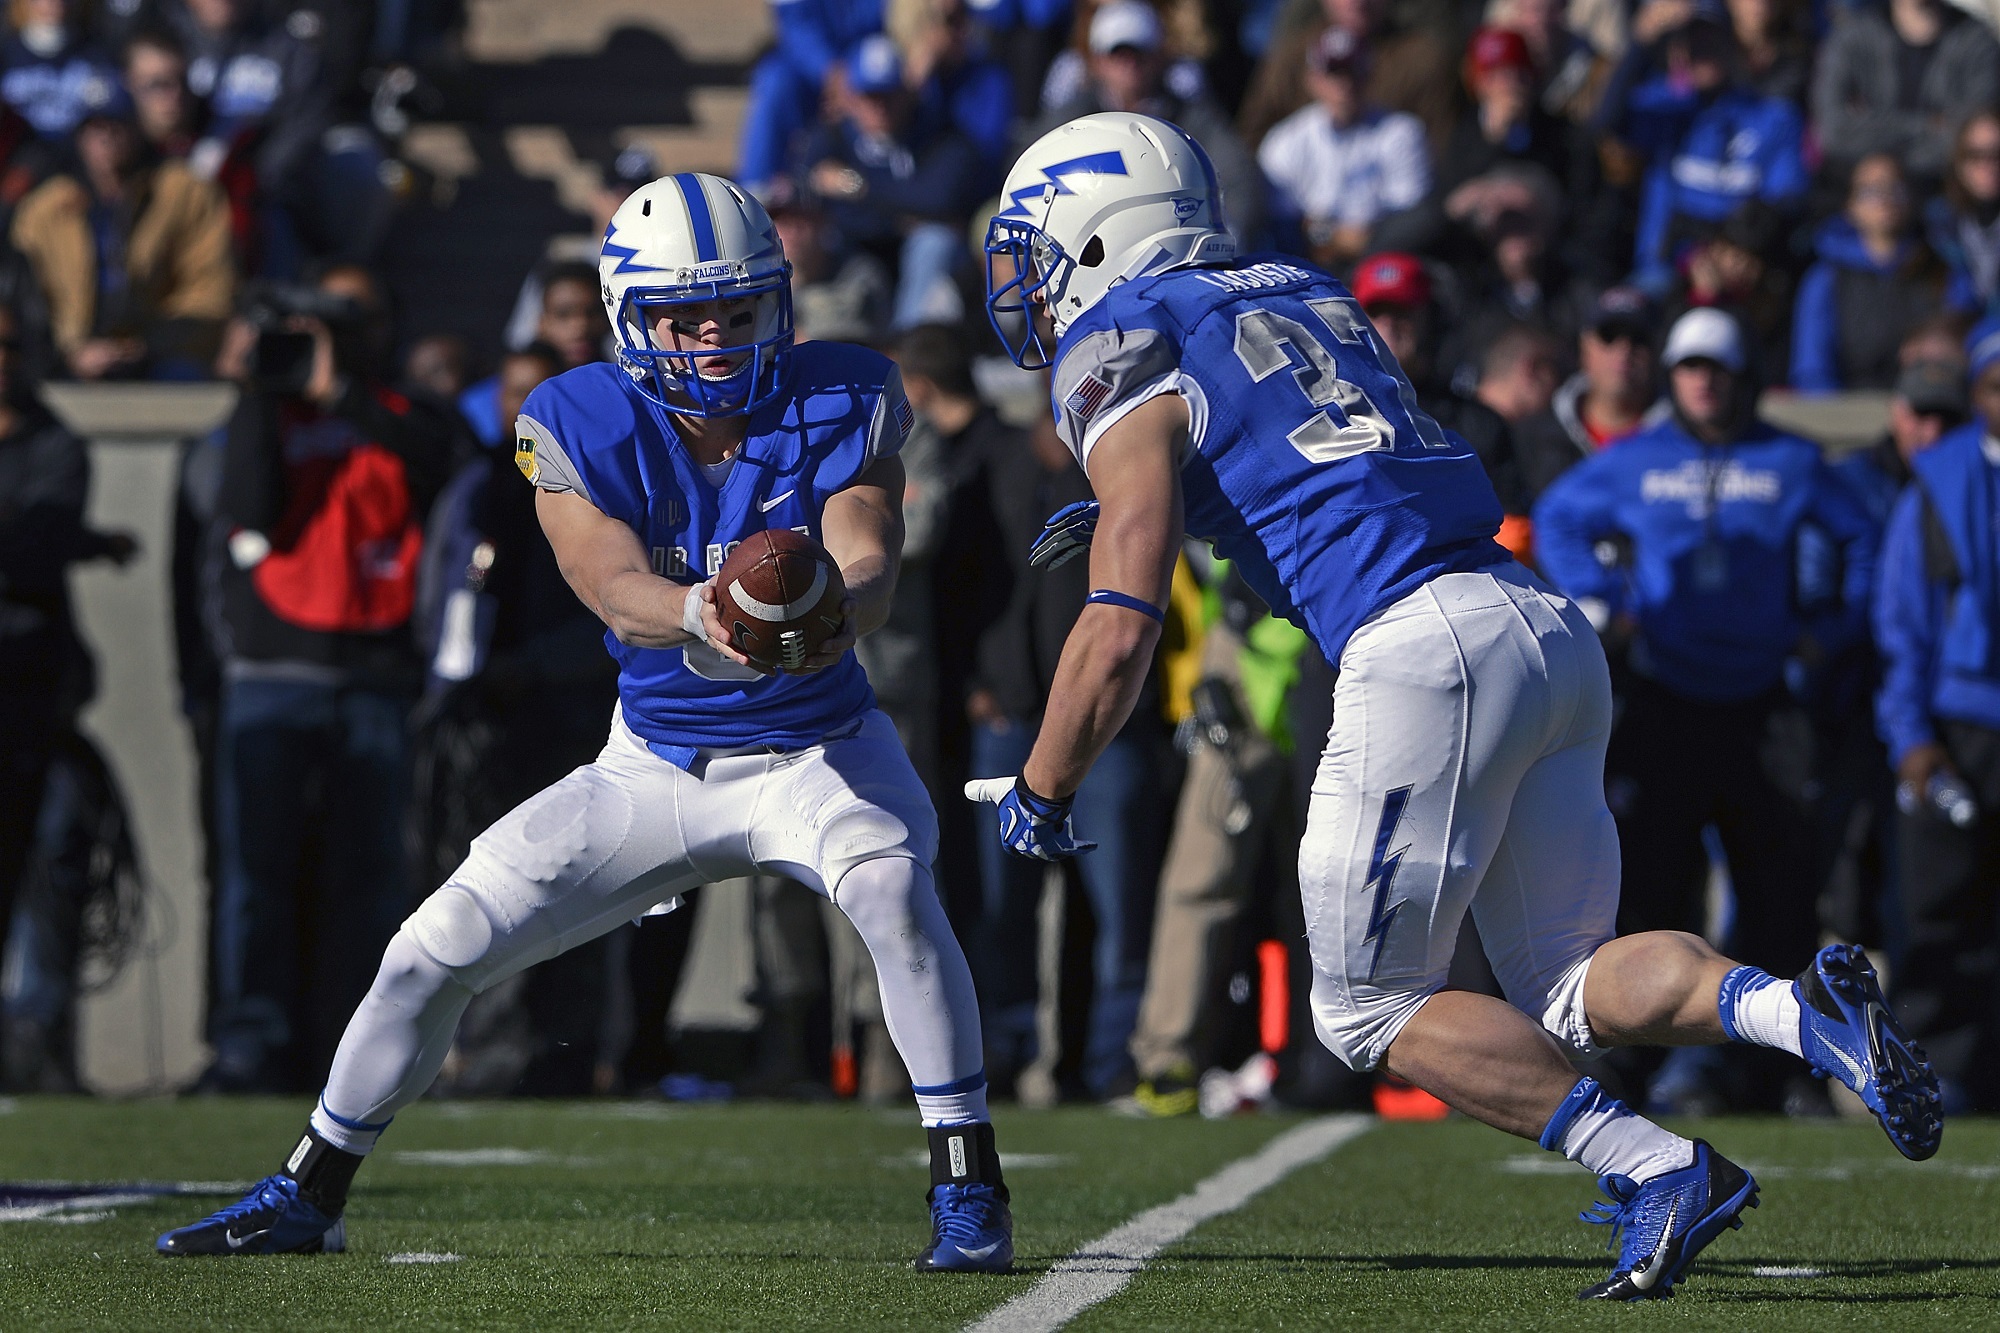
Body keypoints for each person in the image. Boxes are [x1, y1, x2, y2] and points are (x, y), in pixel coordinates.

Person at [981, 112, 1939, 1301]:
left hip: (1416, 645)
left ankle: (1654, 1165)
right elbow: (1311, 463)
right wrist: (1177, 501)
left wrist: (1041, 781)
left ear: (1091, 236)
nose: (1021, 282)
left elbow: (1120, 623)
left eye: (1031, 249)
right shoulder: (1300, 283)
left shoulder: (1122, 339)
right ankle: (1796, 1012)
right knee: (1560, 980)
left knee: (1366, 1007)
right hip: (1534, 619)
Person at [158, 173, 1016, 1274]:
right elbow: (607, 581)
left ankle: (967, 1186)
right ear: (628, 317)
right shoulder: (575, 417)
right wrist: (698, 610)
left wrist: (833, 604)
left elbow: (868, 543)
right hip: (655, 762)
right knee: (430, 950)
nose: (710, 338)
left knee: (894, 886)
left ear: (777, 303)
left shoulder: (843, 391)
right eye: (680, 314)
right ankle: (308, 1188)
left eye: (733, 309)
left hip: (820, 748)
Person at [1536, 307, 1881, 1115]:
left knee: (1780, 888)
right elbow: (1558, 515)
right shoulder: (1636, 459)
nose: (1701, 380)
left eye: (1715, 368)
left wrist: (1825, 633)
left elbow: (1863, 538)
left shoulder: (1791, 458)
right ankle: (1659, 1067)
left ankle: (1780, 1071)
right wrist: (1604, 599)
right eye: (1688, 366)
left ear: (1740, 375)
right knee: (1656, 885)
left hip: (1763, 703)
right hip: (1665, 702)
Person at [196, 263, 459, 1095]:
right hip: (271, 671)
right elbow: (246, 504)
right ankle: (251, 1045)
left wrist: (341, 389)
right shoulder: (264, 412)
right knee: (255, 877)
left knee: (370, 877)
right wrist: (256, 388)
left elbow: (444, 457)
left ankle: (354, 1054)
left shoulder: (399, 412)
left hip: (376, 673)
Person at [1873, 319, 2000, 1112]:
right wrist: (1912, 737)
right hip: (1961, 726)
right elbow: (1904, 628)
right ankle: (1939, 1072)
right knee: (1941, 910)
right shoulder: (1938, 484)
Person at [8, 89, 233, 380]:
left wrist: (146, 346)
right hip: (62, 358)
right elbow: (24, 299)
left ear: (136, 128)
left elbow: (210, 290)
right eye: (95, 128)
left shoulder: (181, 192)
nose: (106, 138)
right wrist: (69, 353)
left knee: (187, 380)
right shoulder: (46, 208)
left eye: (116, 126)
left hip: (161, 352)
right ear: (79, 136)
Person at [1600, 0, 1805, 293]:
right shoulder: (1664, 110)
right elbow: (1606, 121)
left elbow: (1784, 201)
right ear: (1677, 51)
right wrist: (1641, 43)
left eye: (1712, 39)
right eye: (1691, 40)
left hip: (1741, 278)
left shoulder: (1774, 117)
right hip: (1664, 274)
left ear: (1732, 45)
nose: (1702, 50)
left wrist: (1727, 251)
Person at [1031, 1, 1264, 248]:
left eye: (1139, 53)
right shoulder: (1072, 118)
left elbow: (1239, 174)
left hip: (1172, 243)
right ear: (1098, 61)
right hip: (1088, 244)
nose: (1129, 64)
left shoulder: (1190, 116)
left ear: (1160, 57)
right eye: (1118, 53)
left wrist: (1224, 233)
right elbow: (1032, 169)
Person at [799, 35, 986, 331]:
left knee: (935, 241)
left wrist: (857, 186)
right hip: (856, 250)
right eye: (869, 96)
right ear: (851, 97)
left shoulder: (937, 135)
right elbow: (804, 185)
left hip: (917, 257)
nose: (879, 107)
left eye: (888, 94)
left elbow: (940, 199)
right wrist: (901, 212)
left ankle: (908, 346)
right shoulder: (830, 138)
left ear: (907, 92)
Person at [1257, 25, 1428, 270]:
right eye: (1334, 72)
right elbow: (1282, 224)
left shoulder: (1401, 132)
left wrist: (1324, 232)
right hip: (1306, 265)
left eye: (1354, 72)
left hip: (1382, 263)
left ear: (1370, 75)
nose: (1345, 84)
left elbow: (1411, 219)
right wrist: (1335, 236)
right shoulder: (1285, 141)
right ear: (1313, 80)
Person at [1790, 154, 1953, 394]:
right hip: (1848, 414)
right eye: (1870, 190)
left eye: (1895, 188)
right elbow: (1812, 370)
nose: (1884, 199)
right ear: (1850, 205)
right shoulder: (1825, 279)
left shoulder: (1941, 269)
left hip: (1928, 409)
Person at [1811, 0, 2000, 187]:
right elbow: (1834, 132)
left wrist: (1871, 126)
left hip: (1945, 190)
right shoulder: (1850, 38)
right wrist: (1929, 125)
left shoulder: (1978, 41)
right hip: (1859, 193)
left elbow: (1974, 140)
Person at [1513, 286, 1663, 506]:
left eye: (1638, 339)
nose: (1624, 351)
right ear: (1585, 347)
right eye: (1608, 336)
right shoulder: (1533, 437)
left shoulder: (1685, 441)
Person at [1925, 111, 2000, 323]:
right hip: (1964, 331)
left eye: (1997, 153)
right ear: (1958, 160)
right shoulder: (1938, 223)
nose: (1988, 164)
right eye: (1975, 154)